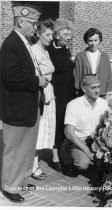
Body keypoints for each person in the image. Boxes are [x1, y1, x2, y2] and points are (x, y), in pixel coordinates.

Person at [0, 4, 49, 203]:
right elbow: (10, 76)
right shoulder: (11, 44)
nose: (35, 28)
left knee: (27, 147)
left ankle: (20, 181)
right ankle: (9, 185)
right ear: (21, 22)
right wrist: (37, 81)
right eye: (32, 23)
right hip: (17, 107)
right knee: (15, 147)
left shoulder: (24, 42)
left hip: (29, 106)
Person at [64, 74, 109, 175]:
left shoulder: (104, 103)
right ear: (84, 89)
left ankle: (96, 165)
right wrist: (87, 151)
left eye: (98, 87)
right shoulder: (73, 105)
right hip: (79, 141)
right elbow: (69, 133)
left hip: (98, 141)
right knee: (83, 164)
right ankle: (75, 161)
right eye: (93, 88)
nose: (97, 91)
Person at [47, 18, 75, 172]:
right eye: (66, 34)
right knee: (57, 124)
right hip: (57, 94)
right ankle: (55, 157)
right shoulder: (50, 50)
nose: (69, 37)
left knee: (66, 122)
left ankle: (62, 152)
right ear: (57, 35)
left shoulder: (65, 49)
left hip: (68, 93)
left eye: (70, 34)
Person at [31, 19, 55, 180]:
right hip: (40, 93)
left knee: (43, 132)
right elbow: (33, 75)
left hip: (49, 93)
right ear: (38, 34)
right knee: (37, 132)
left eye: (52, 34)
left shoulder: (45, 50)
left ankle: (35, 164)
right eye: (47, 34)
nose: (51, 37)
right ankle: (32, 167)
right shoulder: (33, 50)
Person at [73, 27, 112, 99]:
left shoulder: (104, 56)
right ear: (86, 41)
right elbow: (76, 75)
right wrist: (77, 91)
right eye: (90, 41)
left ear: (100, 40)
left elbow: (109, 74)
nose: (93, 43)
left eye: (95, 40)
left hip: (101, 92)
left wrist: (108, 90)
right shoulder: (80, 56)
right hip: (85, 92)